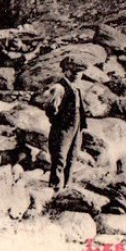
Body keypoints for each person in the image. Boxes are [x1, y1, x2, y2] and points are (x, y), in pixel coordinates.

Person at [43, 55, 88, 189]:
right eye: (75, 73)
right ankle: (55, 186)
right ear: (67, 71)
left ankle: (67, 185)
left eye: (80, 73)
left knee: (72, 156)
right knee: (59, 157)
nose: (78, 75)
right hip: (63, 127)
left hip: (76, 127)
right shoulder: (59, 87)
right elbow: (49, 106)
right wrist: (57, 121)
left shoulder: (76, 87)